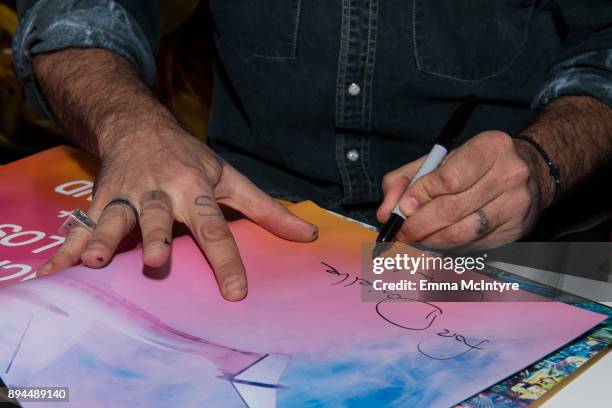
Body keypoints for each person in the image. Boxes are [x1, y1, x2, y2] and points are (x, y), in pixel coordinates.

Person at [13, 1, 612, 301]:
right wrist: (131, 126)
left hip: (528, 243)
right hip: (243, 222)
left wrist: (541, 161)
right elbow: (74, 11)